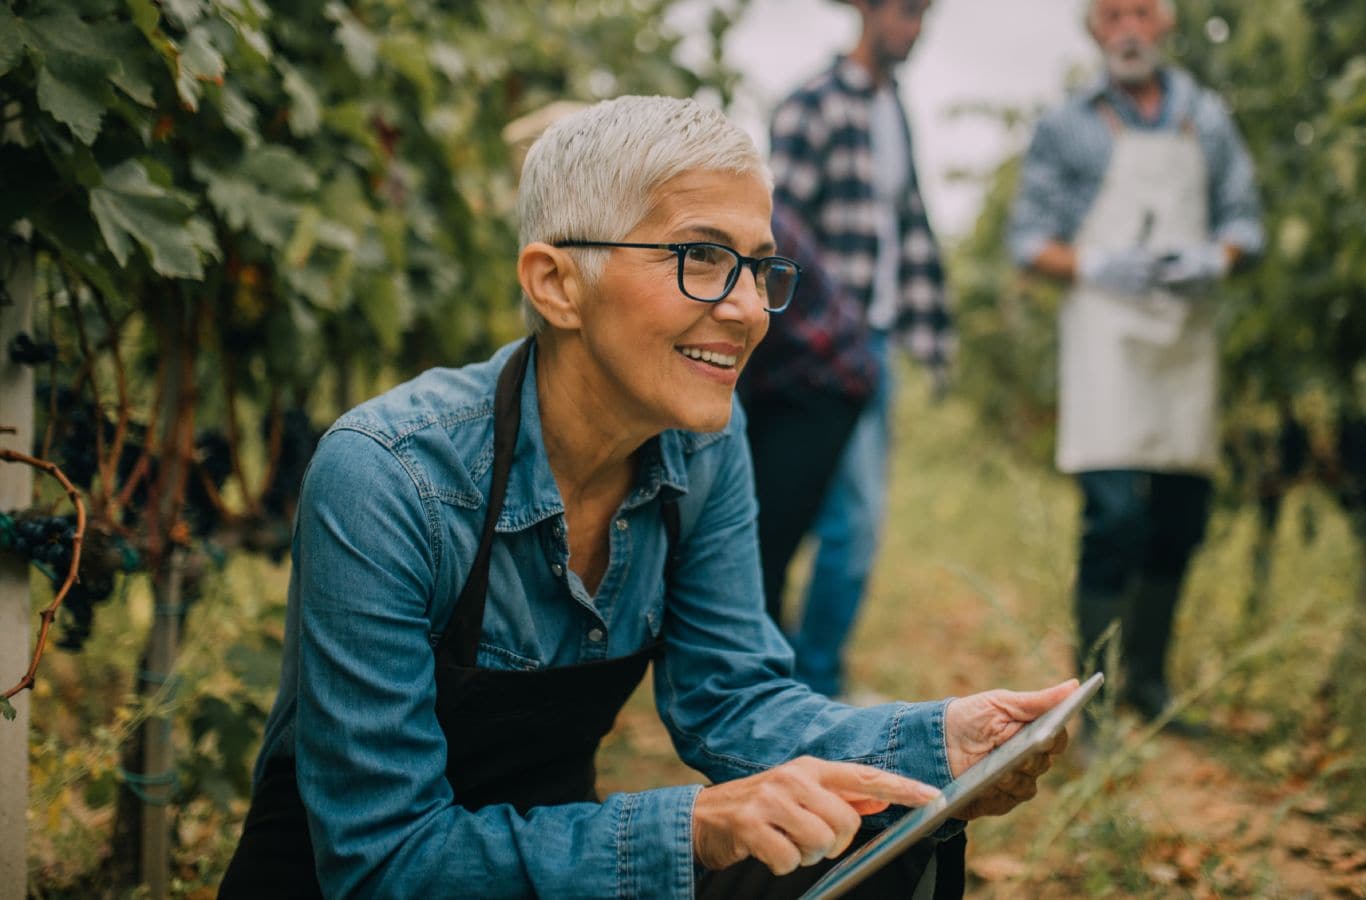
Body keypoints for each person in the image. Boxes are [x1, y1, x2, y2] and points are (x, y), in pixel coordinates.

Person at [219, 95, 1077, 899]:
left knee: (877, 829)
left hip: (545, 867)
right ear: (557, 283)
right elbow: (384, 862)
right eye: (702, 258)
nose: (748, 309)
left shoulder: (706, 444)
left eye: (759, 267)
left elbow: (730, 698)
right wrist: (694, 828)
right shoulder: (387, 476)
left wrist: (942, 743)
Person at [1007, 0, 1263, 728]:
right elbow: (1029, 239)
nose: (1128, 27)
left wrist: (1217, 256)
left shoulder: (1206, 118)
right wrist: (1096, 264)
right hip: (1107, 337)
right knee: (1113, 514)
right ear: (1093, 29)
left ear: (1166, 22)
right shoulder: (1067, 126)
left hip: (1184, 338)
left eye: (1141, 12)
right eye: (1111, 14)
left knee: (1180, 514)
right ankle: (1088, 703)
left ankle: (1148, 685)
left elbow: (1246, 220)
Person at [768, 0, 953, 699]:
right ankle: (808, 683)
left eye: (925, 16)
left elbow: (908, 229)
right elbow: (778, 233)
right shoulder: (808, 106)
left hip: (875, 345)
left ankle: (802, 676)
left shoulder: (895, 112)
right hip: (817, 355)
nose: (916, 28)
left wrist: (931, 334)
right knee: (839, 520)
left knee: (847, 522)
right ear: (869, 10)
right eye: (907, 12)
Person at [739, 203, 878, 627]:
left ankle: (764, 680)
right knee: (752, 546)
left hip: (823, 381)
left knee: (762, 551)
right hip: (774, 378)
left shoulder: (748, 217)